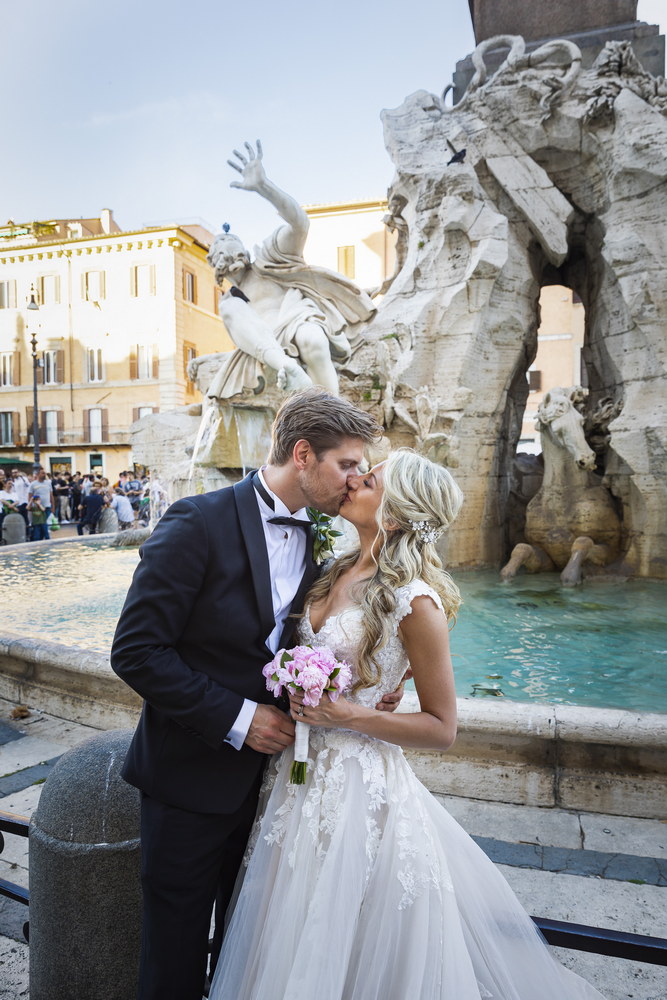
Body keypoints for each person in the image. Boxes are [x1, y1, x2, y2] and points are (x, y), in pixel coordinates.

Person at [209, 449, 606, 1000]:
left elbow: (443, 728)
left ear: (394, 513)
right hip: (293, 778)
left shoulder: (414, 601)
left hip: (358, 789)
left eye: (367, 480)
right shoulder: (331, 572)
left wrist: (352, 712)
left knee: (349, 928)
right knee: (288, 921)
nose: (351, 482)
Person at [110, 388, 403, 1000]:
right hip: (188, 782)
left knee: (252, 955)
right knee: (173, 958)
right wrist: (240, 719)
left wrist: (371, 683)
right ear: (303, 454)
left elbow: (312, 638)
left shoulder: (325, 539)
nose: (356, 480)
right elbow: (136, 651)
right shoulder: (196, 521)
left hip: (279, 795)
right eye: (347, 464)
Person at [200, 140, 375, 400]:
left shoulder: (270, 259)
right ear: (214, 264)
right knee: (229, 306)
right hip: (265, 345)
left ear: (244, 251)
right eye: (220, 246)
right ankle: (288, 367)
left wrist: (264, 187)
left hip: (296, 319)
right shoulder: (230, 303)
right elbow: (241, 327)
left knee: (313, 340)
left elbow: (299, 224)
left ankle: (333, 410)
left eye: (232, 242)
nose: (227, 246)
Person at [27, 469, 54, 541]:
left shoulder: (48, 483)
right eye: (42, 473)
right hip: (37, 508)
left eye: (45, 473)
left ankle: (42, 538)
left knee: (44, 524)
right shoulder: (33, 484)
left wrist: (53, 506)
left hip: (47, 507)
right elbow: (30, 496)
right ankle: (39, 538)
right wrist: (31, 506)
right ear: (38, 474)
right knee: (39, 524)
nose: (44, 475)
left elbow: (51, 495)